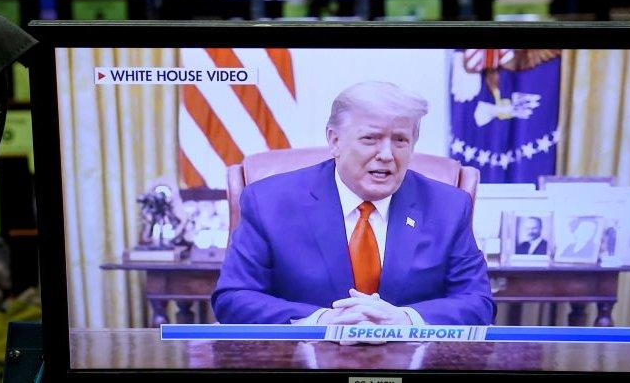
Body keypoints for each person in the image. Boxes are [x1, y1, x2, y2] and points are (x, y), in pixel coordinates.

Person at [211, 81, 494, 327]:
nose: (386, 154)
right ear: (334, 141)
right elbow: (233, 298)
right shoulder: (269, 201)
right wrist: (321, 321)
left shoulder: (448, 206)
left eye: (400, 140)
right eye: (370, 138)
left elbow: (477, 302)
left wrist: (405, 319)